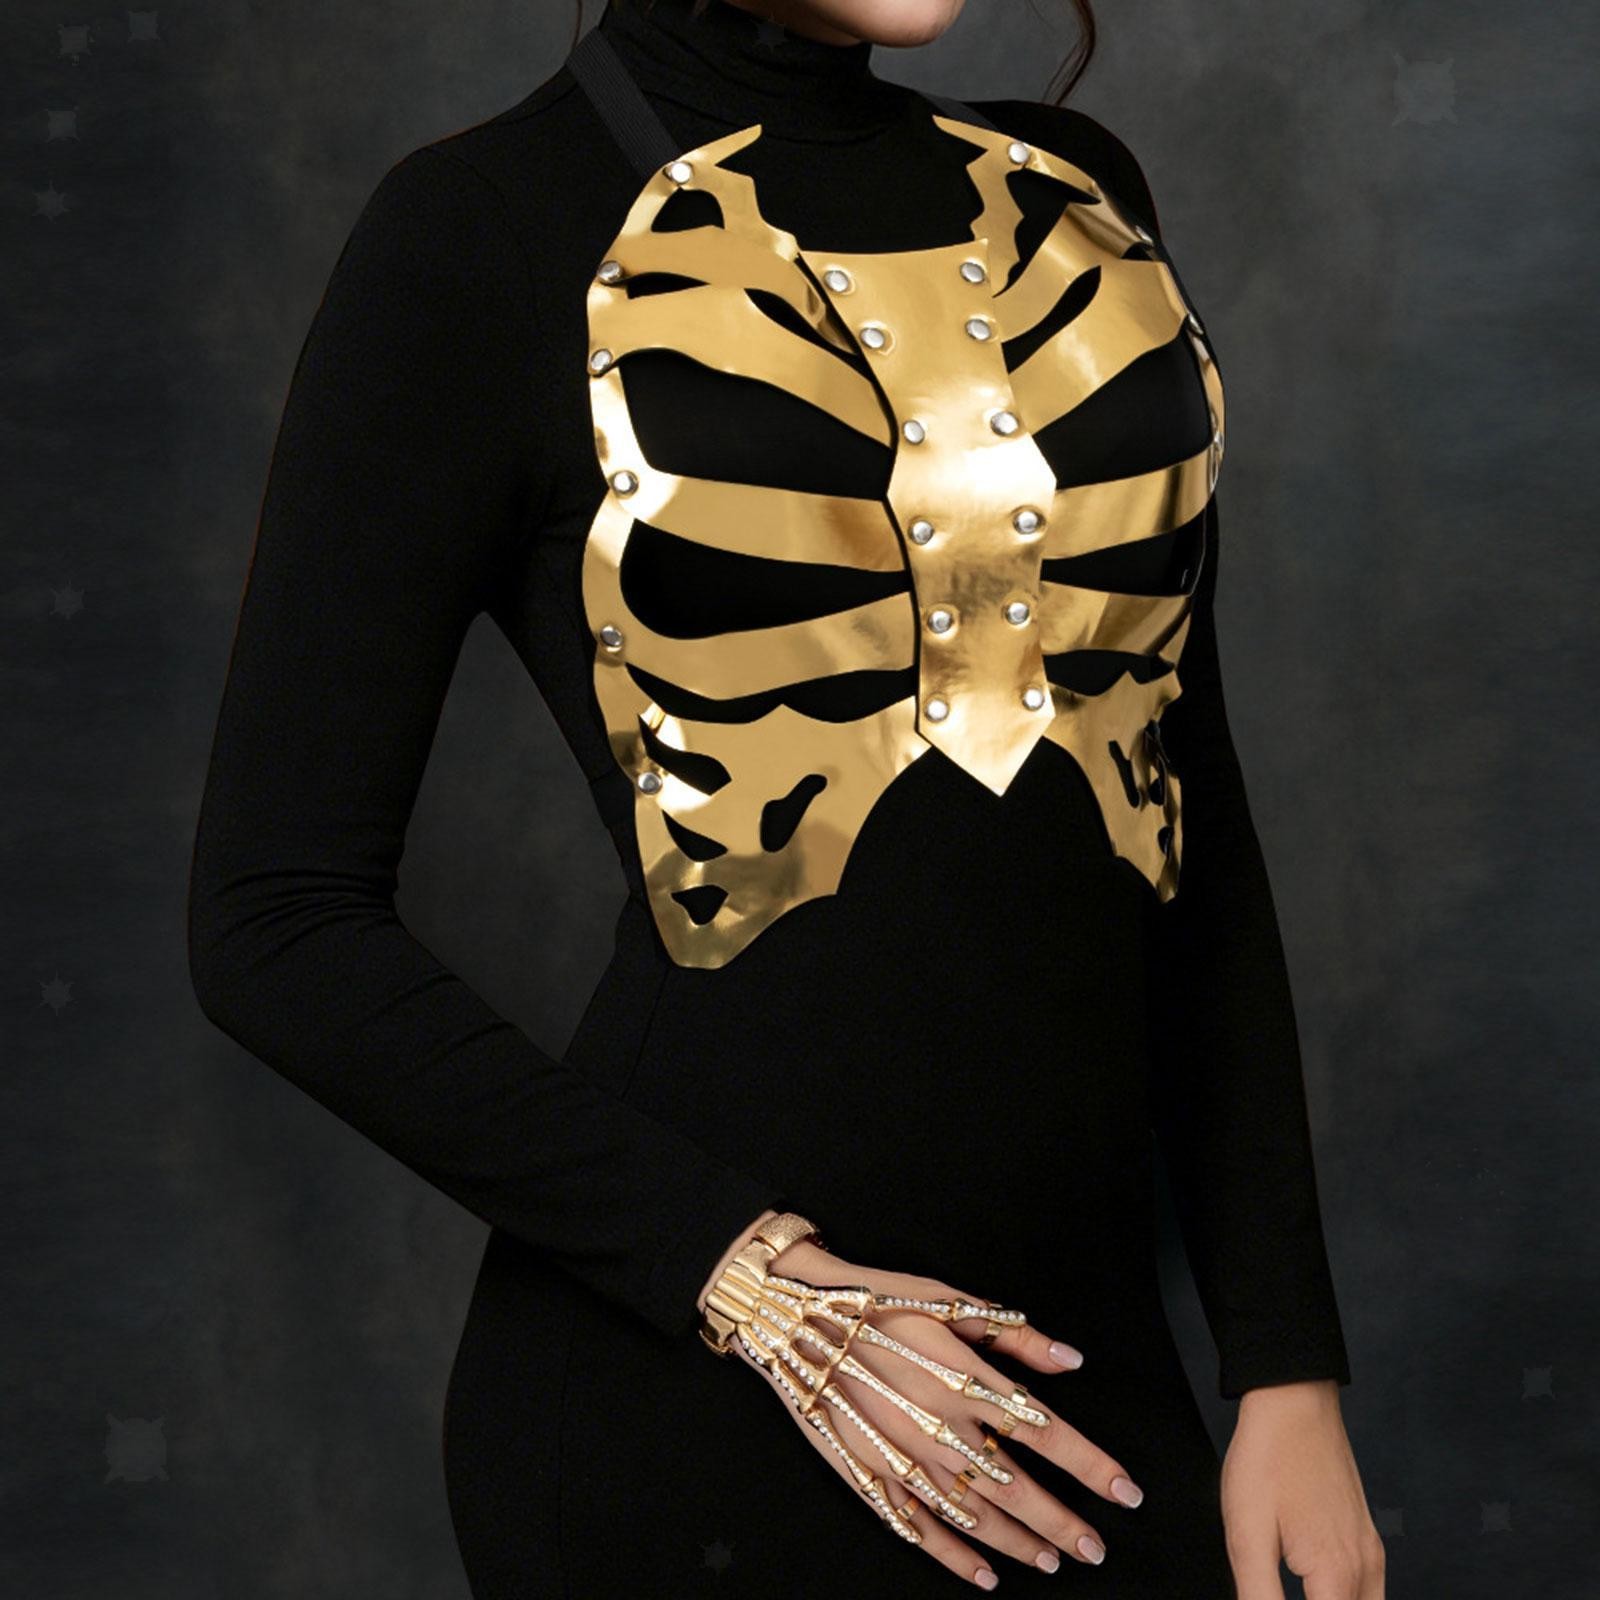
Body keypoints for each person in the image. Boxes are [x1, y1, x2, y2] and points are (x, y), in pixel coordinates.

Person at [186, 0, 1385, 1594]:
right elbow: (274, 922)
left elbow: (1183, 817)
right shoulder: (476, 228)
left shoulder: (1074, 194)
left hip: (1086, 1381)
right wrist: (755, 1284)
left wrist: (1286, 1365)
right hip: (694, 1413)